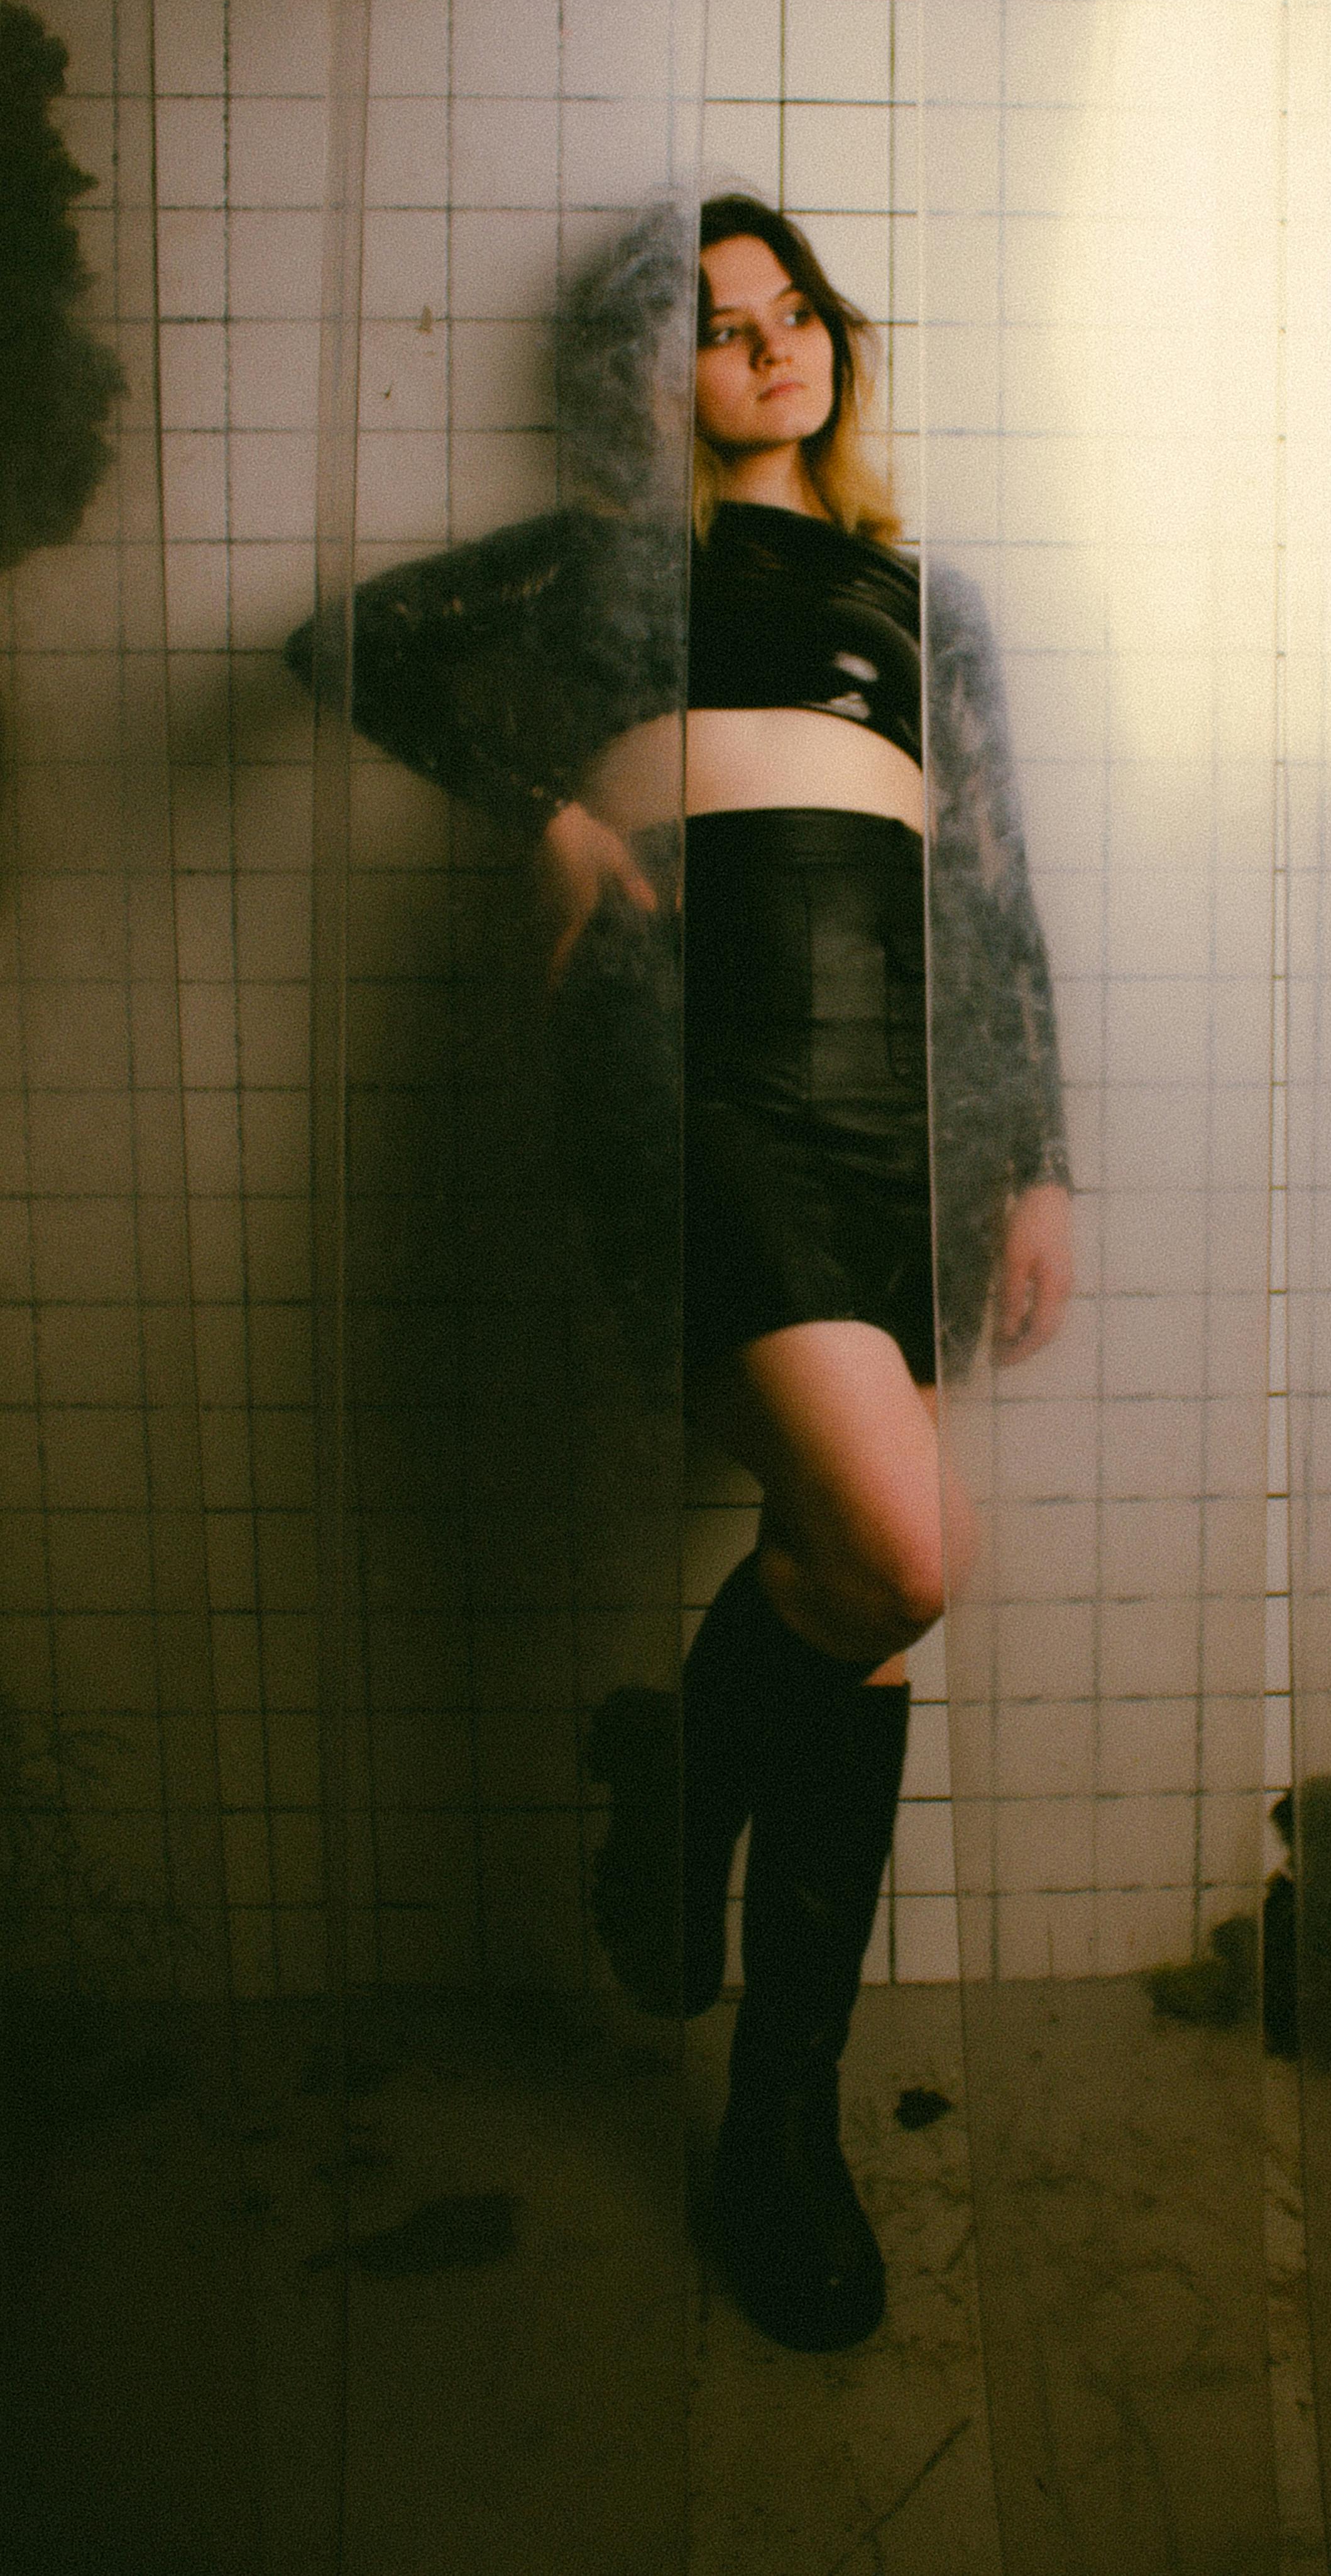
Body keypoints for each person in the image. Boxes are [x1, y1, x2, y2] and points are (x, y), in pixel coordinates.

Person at [287, 193, 1072, 2352]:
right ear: (654, 374)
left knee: (877, 1599)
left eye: (792, 310)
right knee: (899, 1556)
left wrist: (1040, 1163)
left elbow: (993, 889)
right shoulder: (600, 566)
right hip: (680, 1061)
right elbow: (319, 649)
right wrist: (541, 801)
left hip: (894, 1092)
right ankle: (681, 1821)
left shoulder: (926, 599)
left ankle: (772, 2121)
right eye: (718, 329)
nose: (768, 350)